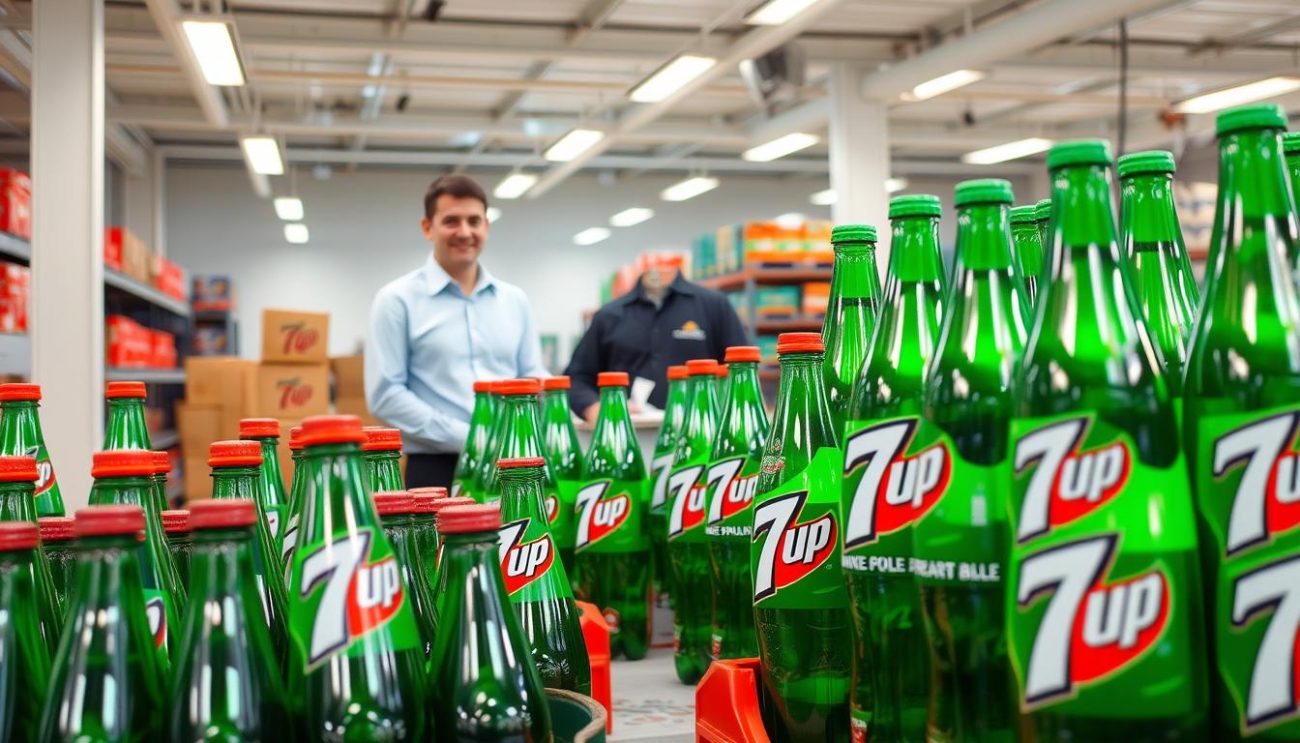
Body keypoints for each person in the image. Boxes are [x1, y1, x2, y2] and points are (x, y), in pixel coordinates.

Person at [366, 174, 547, 488]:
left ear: (486, 226)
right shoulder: (396, 300)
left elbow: (531, 377)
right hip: (435, 469)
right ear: (427, 227)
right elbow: (385, 396)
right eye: (451, 221)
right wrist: (473, 438)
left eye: (474, 221)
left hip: (512, 466)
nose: (465, 232)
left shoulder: (514, 300)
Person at [565, 257, 749, 423]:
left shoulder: (713, 306)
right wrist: (594, 408)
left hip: (702, 433)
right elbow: (576, 378)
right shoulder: (609, 315)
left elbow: (743, 371)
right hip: (628, 435)